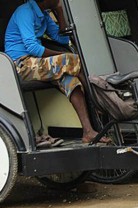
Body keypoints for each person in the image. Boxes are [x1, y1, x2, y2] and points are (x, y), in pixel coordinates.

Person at [4, 0, 111, 144]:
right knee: (71, 60)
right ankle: (97, 103)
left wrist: (60, 12)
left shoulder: (43, 14)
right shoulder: (25, 12)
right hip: (21, 64)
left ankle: (88, 132)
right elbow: (33, 48)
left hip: (39, 64)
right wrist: (62, 58)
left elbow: (63, 39)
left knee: (72, 82)